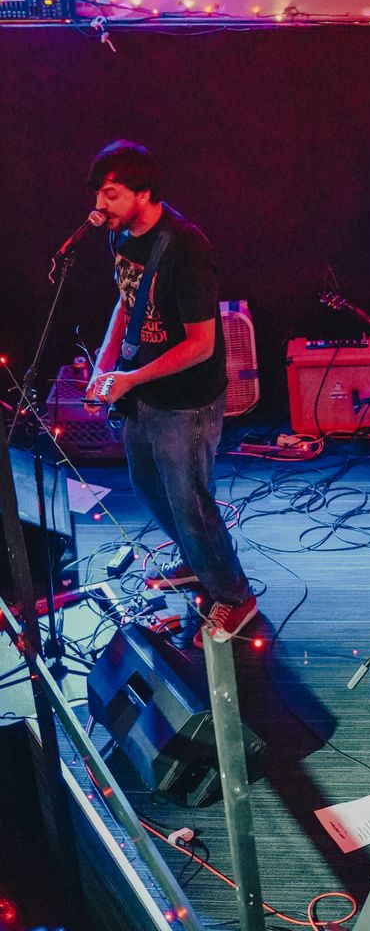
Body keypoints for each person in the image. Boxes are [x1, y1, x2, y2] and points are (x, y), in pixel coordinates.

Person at [83, 140, 255, 649]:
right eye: (98, 193)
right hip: (144, 392)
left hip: (187, 400)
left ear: (143, 192)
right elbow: (126, 303)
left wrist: (133, 379)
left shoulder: (186, 247)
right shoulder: (120, 237)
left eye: (111, 194)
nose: (100, 205)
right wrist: (106, 361)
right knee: (146, 486)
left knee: (191, 502)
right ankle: (196, 560)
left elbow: (202, 345)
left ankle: (235, 595)